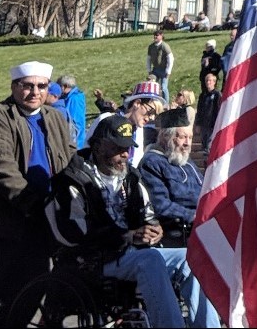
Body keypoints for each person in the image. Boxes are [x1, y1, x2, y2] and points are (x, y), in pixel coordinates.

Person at [46, 117, 218, 328]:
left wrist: (154, 229)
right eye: (118, 148)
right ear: (99, 147)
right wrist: (126, 235)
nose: (125, 154)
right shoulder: (75, 181)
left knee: (190, 257)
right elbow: (75, 233)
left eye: (128, 148)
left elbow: (149, 214)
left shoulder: (130, 177)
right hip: (94, 258)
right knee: (150, 260)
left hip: (131, 253)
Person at [0, 61, 76, 325]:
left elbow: (70, 161)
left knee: (29, 295)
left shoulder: (55, 118)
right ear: (14, 87)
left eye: (42, 86)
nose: (35, 92)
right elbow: (2, 169)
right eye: (27, 86)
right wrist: (36, 203)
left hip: (39, 225)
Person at [137, 110, 202, 247]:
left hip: (202, 222)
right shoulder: (152, 162)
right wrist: (193, 215)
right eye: (182, 137)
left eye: (190, 138)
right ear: (166, 137)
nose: (187, 143)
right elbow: (160, 205)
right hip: (179, 229)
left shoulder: (187, 162)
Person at [93, 81, 166, 168]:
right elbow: (87, 150)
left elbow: (136, 161)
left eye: (155, 114)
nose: (152, 118)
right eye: (150, 112)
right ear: (137, 103)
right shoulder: (106, 119)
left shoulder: (139, 130)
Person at [194, 71, 221, 155]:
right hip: (203, 125)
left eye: (210, 80)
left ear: (214, 82)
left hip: (212, 125)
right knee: (204, 146)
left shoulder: (217, 95)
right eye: (206, 81)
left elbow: (219, 109)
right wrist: (197, 123)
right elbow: (199, 110)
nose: (208, 82)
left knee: (209, 147)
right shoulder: (203, 95)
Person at [147, 31, 175, 100]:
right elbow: (148, 59)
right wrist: (149, 70)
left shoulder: (164, 46)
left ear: (161, 36)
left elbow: (171, 59)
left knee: (163, 87)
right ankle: (154, 102)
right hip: (155, 70)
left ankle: (166, 104)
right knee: (151, 85)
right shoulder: (151, 46)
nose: (155, 37)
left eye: (157, 35)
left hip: (164, 70)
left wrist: (168, 71)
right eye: (154, 35)